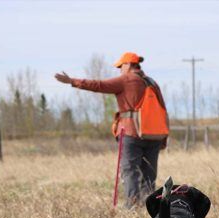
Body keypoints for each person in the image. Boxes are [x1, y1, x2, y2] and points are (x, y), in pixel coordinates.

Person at [55, 52, 168, 208]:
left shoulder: (126, 79)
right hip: (153, 135)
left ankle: (132, 205)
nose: (120, 70)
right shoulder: (152, 83)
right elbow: (163, 110)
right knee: (149, 172)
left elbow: (98, 85)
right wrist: (163, 138)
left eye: (120, 67)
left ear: (128, 65)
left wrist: (72, 81)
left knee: (130, 170)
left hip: (131, 133)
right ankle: (150, 207)